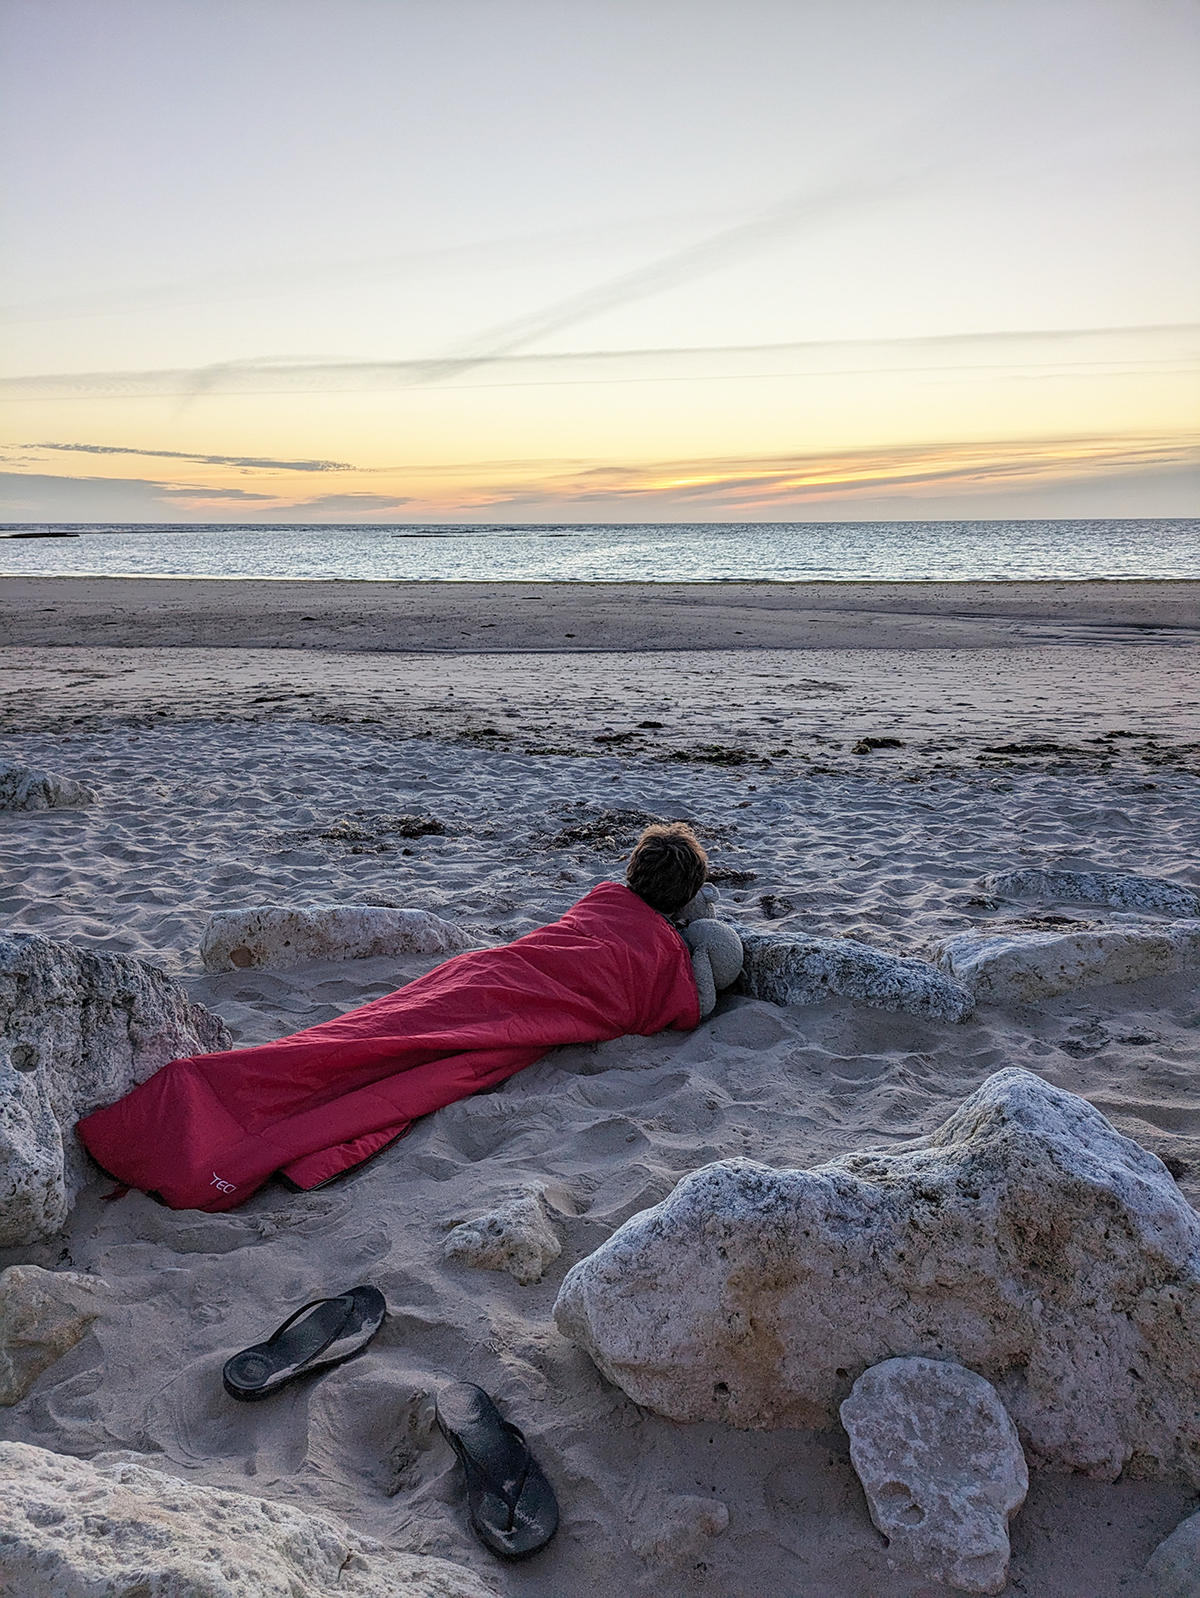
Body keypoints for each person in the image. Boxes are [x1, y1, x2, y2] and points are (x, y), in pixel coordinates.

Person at [77, 824, 742, 1215]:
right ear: (684, 905)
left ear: (631, 876)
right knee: (381, 1049)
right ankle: (201, 1116)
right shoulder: (650, 943)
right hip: (503, 986)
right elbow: (675, 1008)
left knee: (363, 1039)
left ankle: (192, 1102)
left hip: (487, 973)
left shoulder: (605, 901)